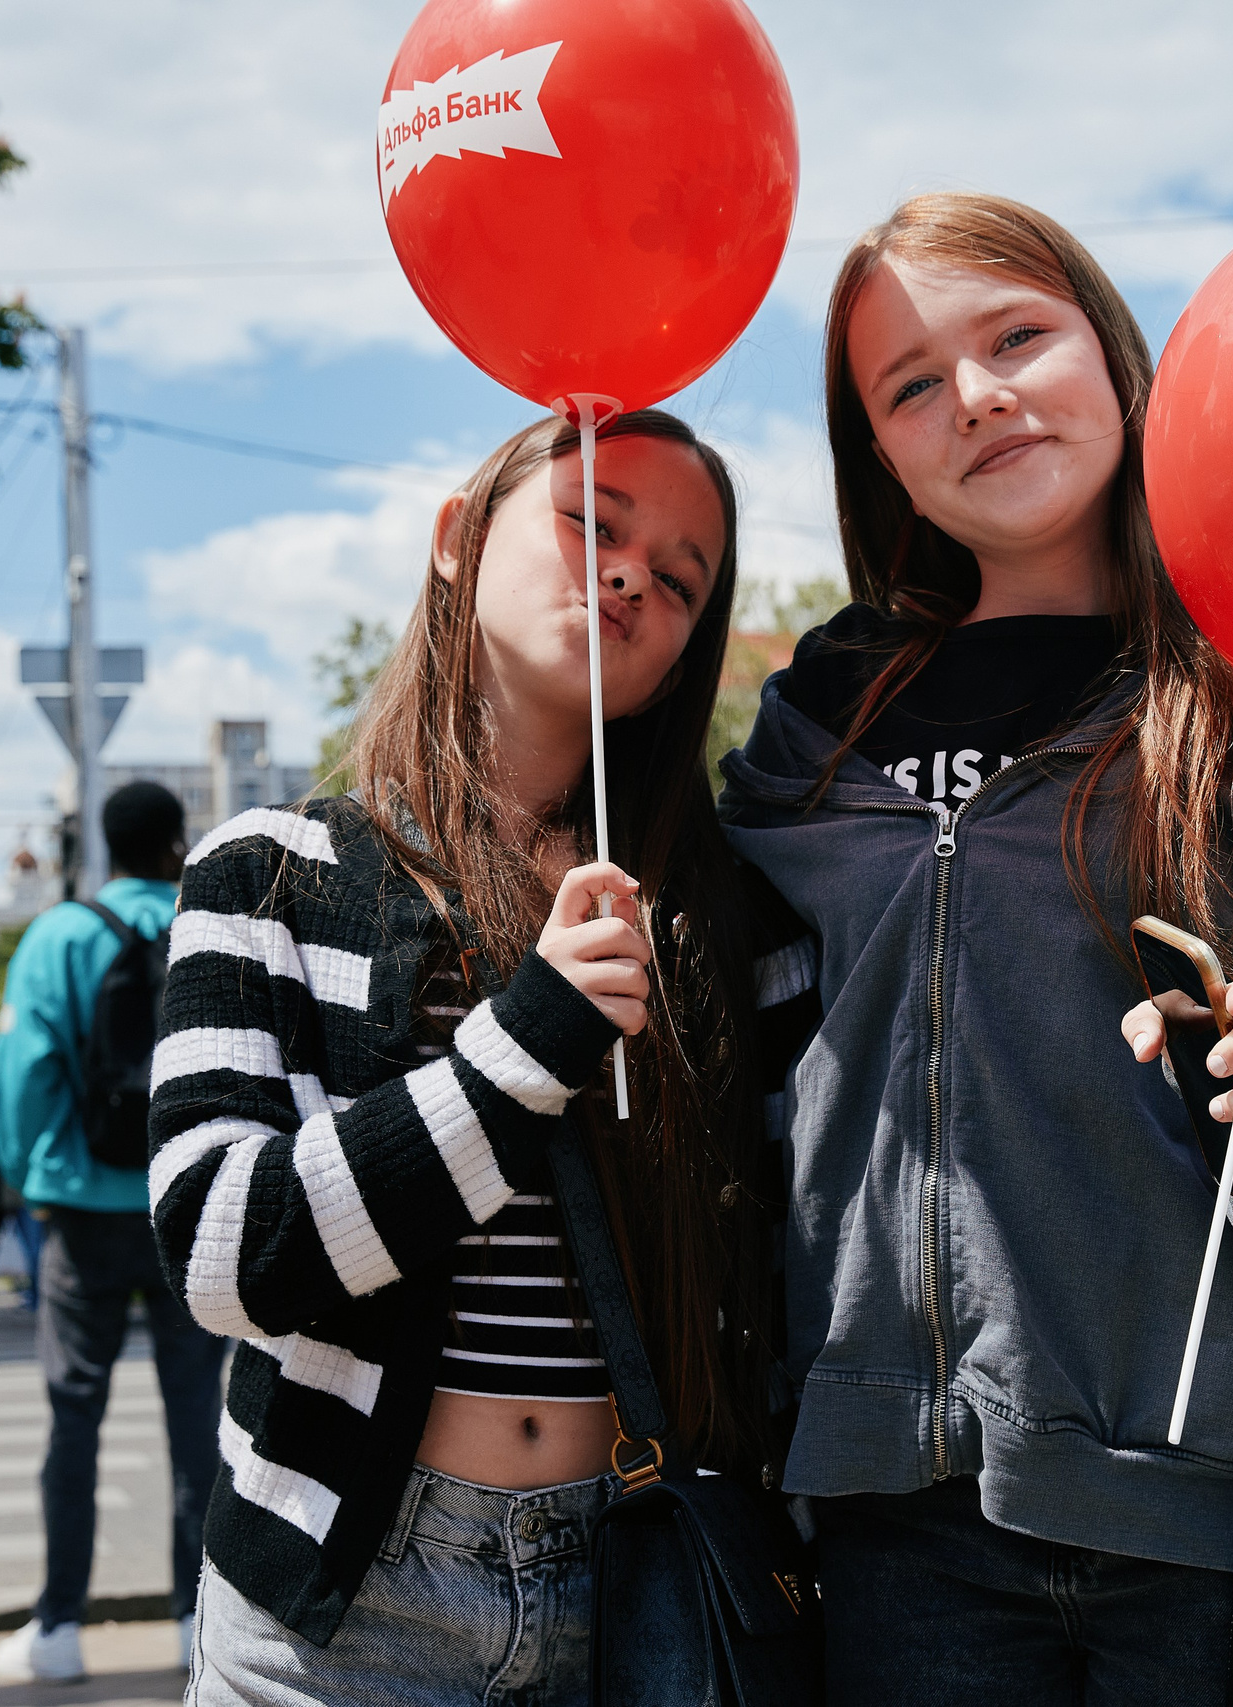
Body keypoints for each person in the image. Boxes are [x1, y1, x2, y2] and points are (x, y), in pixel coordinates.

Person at [715, 193, 1233, 1702]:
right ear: (880, 454)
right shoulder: (809, 741)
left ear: (1113, 351)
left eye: (1016, 336)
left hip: (1212, 1525)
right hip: (896, 1521)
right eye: (912, 383)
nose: (976, 397)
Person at [158, 409, 798, 1706]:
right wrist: (524, 1046)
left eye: (681, 579)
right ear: (457, 538)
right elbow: (225, 1252)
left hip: (641, 1579)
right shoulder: (273, 872)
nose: (630, 575)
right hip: (342, 1609)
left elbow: (799, 1263)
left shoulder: (733, 922)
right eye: (590, 522)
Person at [0, 781, 226, 1682]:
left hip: (82, 1209)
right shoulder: (209, 924)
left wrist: (32, 1178)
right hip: (187, 1208)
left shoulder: (60, 935)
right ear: (174, 845)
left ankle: (58, 1626)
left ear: (104, 844)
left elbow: (22, 1069)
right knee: (195, 1416)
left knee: (73, 1414)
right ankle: (194, 1617)